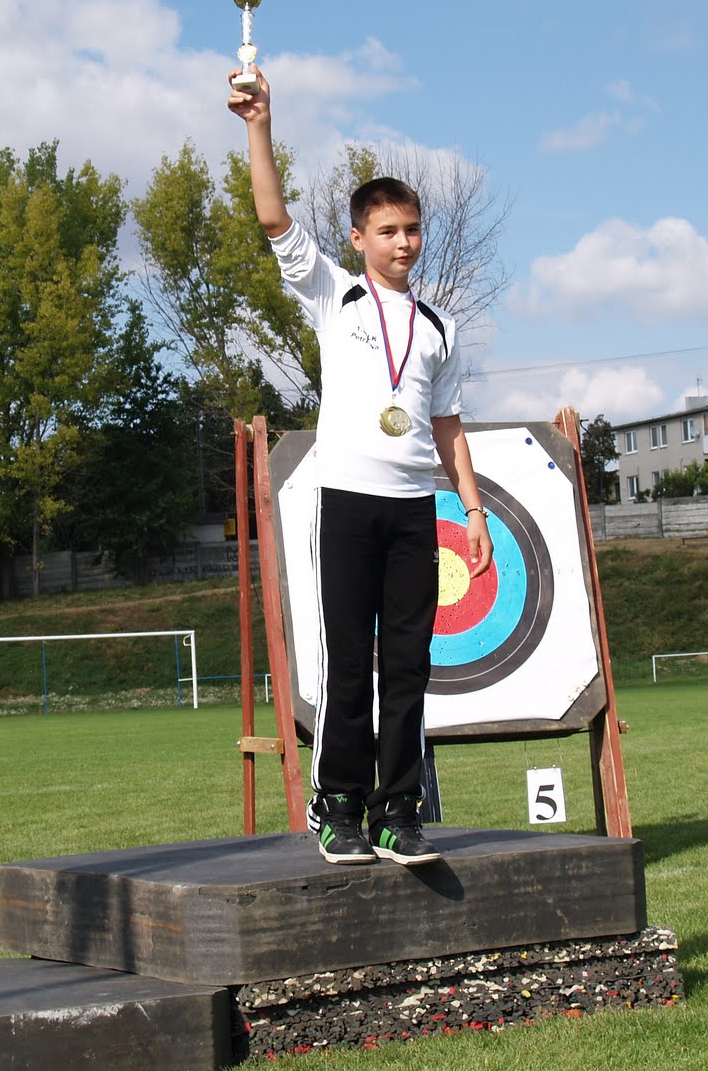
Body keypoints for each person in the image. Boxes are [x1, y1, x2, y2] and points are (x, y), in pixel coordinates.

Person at [229, 65, 493, 866]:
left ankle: (397, 810)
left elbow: (448, 427)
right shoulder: (332, 294)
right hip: (346, 502)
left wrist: (473, 510)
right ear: (357, 239)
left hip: (415, 510)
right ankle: (338, 804)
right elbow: (272, 216)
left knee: (408, 668)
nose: (402, 243)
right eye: (387, 231)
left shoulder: (440, 327)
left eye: (411, 230)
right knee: (350, 663)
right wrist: (259, 126)